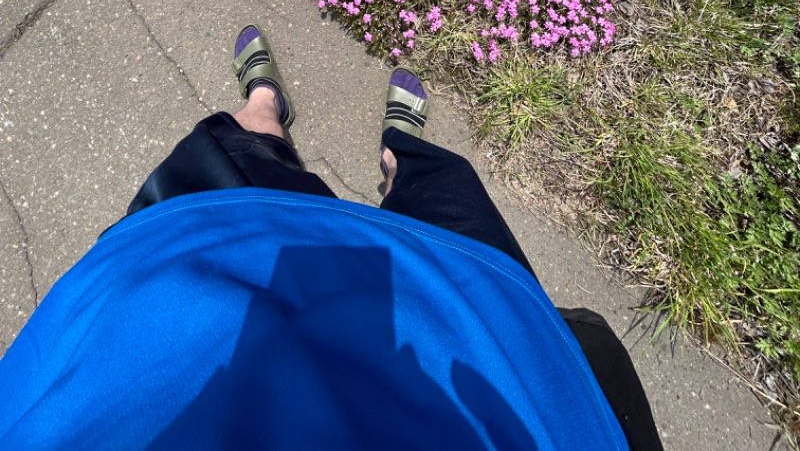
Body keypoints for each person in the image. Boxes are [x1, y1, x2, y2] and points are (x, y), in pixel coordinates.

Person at [0, 26, 663, 450]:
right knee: (448, 191)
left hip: (178, 311)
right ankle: (402, 151)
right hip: (485, 348)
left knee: (243, 145)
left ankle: (266, 106)